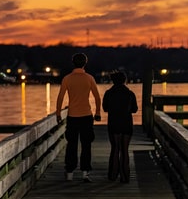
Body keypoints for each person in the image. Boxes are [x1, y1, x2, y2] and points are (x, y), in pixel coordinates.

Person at [55, 52, 102, 182]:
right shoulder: (89, 78)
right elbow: (97, 98)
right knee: (86, 144)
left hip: (72, 115)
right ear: (85, 63)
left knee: (72, 144)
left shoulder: (67, 78)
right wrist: (98, 112)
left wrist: (58, 113)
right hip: (86, 115)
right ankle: (85, 172)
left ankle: (70, 172)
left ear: (73, 63)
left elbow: (60, 97)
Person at [103, 70, 139, 183]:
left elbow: (105, 108)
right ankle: (125, 176)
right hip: (126, 123)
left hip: (114, 123)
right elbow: (134, 109)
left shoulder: (108, 93)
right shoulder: (130, 94)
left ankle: (113, 175)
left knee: (115, 149)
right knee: (124, 150)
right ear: (125, 80)